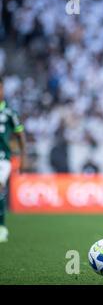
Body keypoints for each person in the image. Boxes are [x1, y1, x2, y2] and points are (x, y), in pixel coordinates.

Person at [0, 77, 27, 243]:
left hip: (3, 158)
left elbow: (20, 136)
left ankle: (1, 227)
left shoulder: (10, 112)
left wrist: (23, 157)